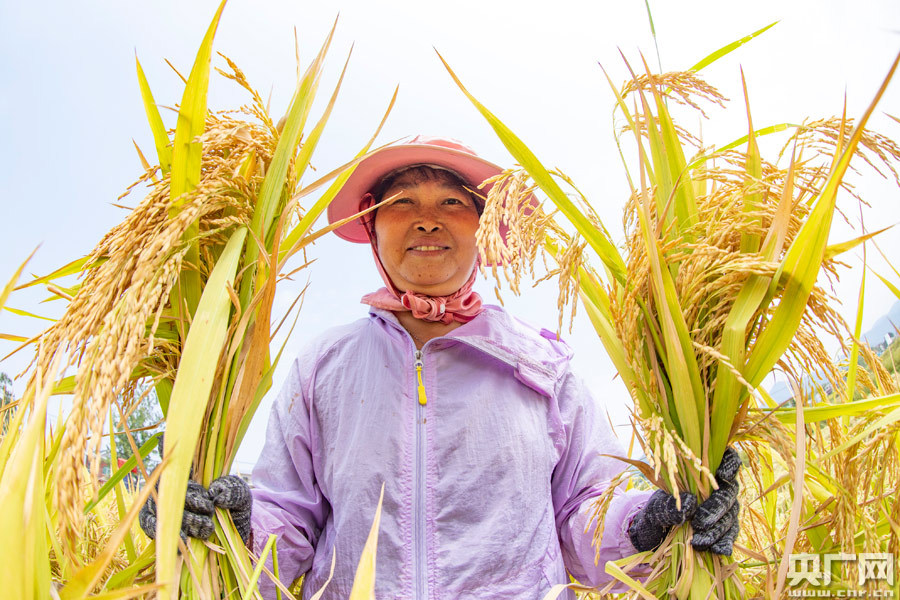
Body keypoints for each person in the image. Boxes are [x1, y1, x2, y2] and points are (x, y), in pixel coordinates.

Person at [139, 136, 741, 600]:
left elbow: (587, 513)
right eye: (402, 202)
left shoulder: (542, 367)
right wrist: (228, 526)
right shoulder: (323, 368)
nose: (427, 219)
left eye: (453, 202)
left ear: (483, 226)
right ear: (372, 225)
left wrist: (654, 520)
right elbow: (289, 522)